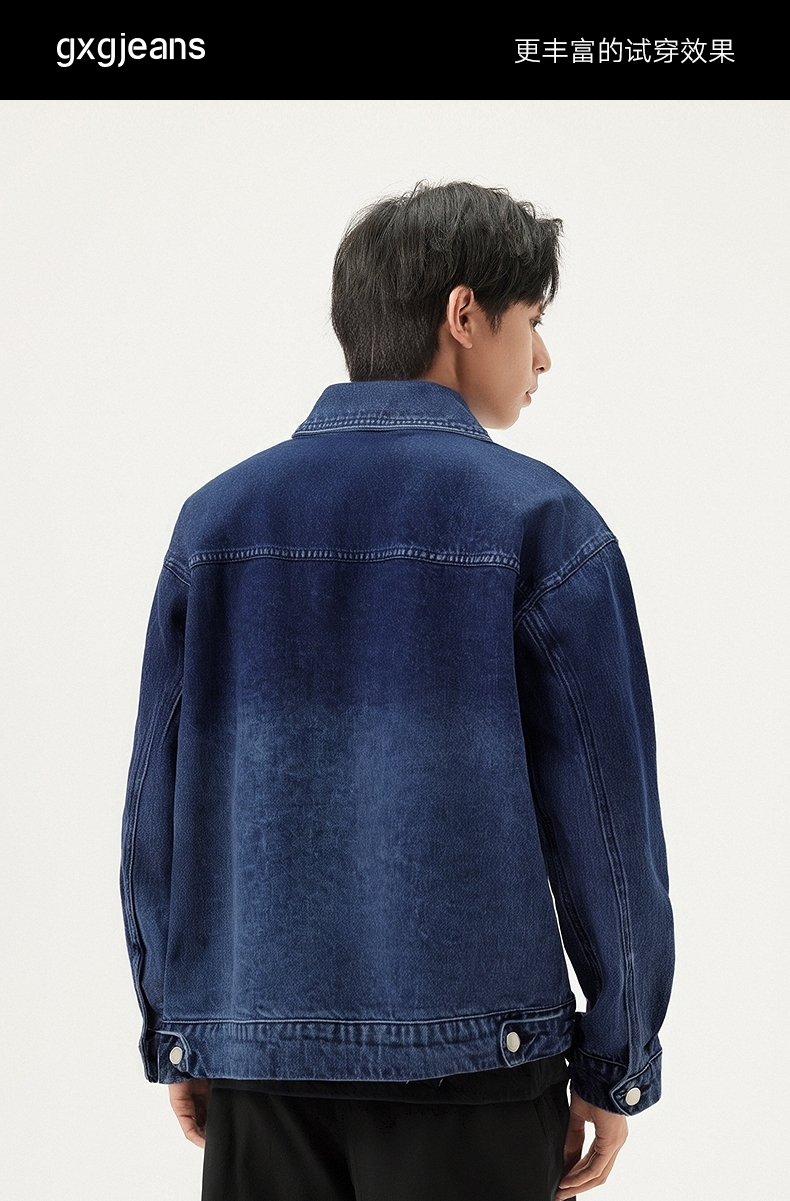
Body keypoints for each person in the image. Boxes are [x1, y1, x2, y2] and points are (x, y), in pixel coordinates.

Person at [121, 182, 674, 1201]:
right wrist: (617, 1059)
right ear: (465, 314)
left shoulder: (215, 522)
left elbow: (157, 800)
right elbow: (607, 822)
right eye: (532, 321)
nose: (543, 357)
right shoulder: (542, 521)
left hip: (260, 1064)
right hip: (477, 1076)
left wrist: (183, 1022)